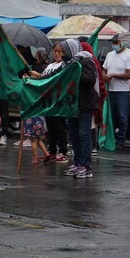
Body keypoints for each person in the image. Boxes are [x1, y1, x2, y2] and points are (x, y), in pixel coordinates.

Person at [42, 39, 98, 179]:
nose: (63, 54)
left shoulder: (86, 61)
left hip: (84, 104)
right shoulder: (69, 63)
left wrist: (75, 73)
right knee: (73, 135)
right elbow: (55, 75)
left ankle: (86, 166)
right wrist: (38, 79)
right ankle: (78, 163)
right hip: (72, 104)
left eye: (65, 50)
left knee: (84, 134)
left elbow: (90, 80)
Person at [102, 34, 130, 148]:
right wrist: (105, 76)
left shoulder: (128, 54)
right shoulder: (110, 55)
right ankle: (111, 138)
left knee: (122, 116)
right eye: (113, 43)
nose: (114, 45)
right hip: (110, 89)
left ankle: (121, 140)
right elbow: (104, 70)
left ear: (122, 42)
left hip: (122, 90)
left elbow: (128, 74)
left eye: (116, 42)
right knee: (111, 116)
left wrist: (114, 75)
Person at [41, 43, 68, 163]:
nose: (57, 54)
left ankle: (63, 150)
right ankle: (51, 150)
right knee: (50, 127)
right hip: (48, 100)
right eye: (55, 51)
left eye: (60, 51)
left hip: (58, 100)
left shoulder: (64, 65)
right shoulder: (50, 65)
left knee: (59, 126)